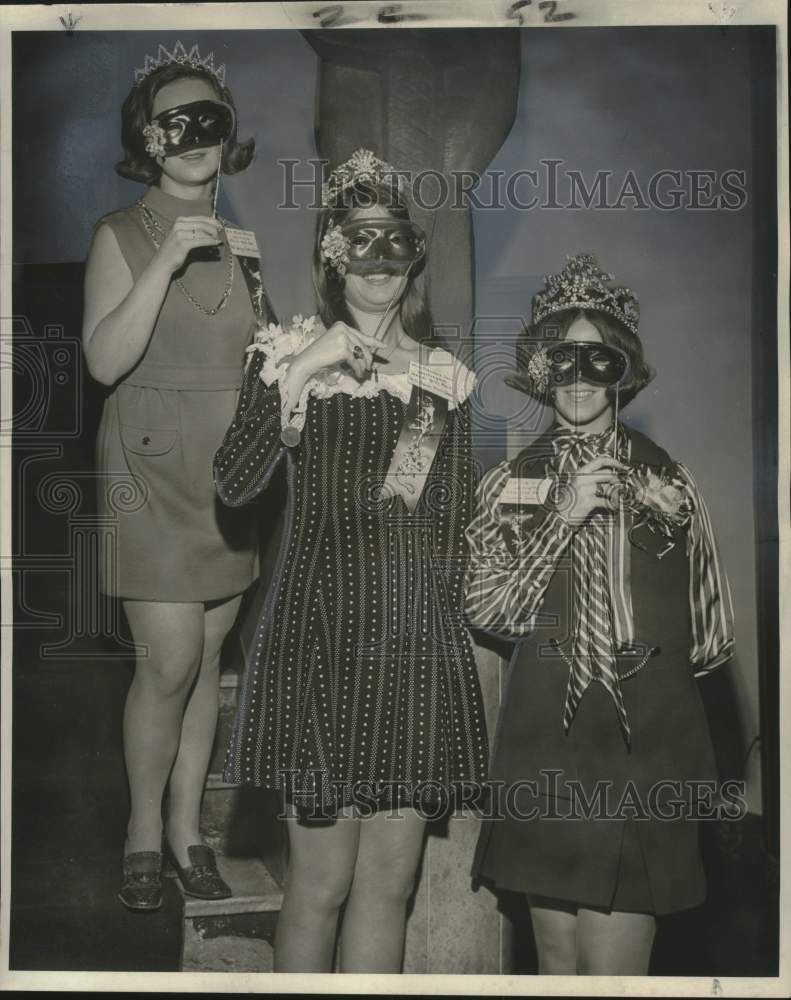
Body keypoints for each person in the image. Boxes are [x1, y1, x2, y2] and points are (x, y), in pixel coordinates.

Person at [214, 149, 489, 972]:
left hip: (411, 652)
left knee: (390, 885)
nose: (377, 261)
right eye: (357, 239)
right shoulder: (285, 352)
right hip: (319, 646)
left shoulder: (441, 379)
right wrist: (305, 371)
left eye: (393, 240)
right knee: (322, 884)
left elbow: (434, 518)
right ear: (332, 253)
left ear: (414, 256)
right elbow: (234, 484)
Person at [465, 253, 734, 975]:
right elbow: (488, 607)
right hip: (545, 743)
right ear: (539, 369)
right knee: (557, 963)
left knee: (615, 972)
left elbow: (710, 637)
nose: (579, 378)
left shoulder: (670, 478)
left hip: (642, 747)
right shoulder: (506, 484)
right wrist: (564, 514)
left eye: (599, 360)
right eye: (562, 359)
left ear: (623, 370)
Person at [82, 43, 276, 911]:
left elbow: (257, 357)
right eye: (177, 124)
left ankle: (190, 828)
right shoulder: (119, 234)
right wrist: (164, 260)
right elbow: (101, 360)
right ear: (151, 143)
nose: (197, 136)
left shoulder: (247, 242)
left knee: (204, 663)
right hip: (148, 463)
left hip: (227, 471)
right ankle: (142, 831)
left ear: (228, 136)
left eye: (213, 120)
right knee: (165, 660)